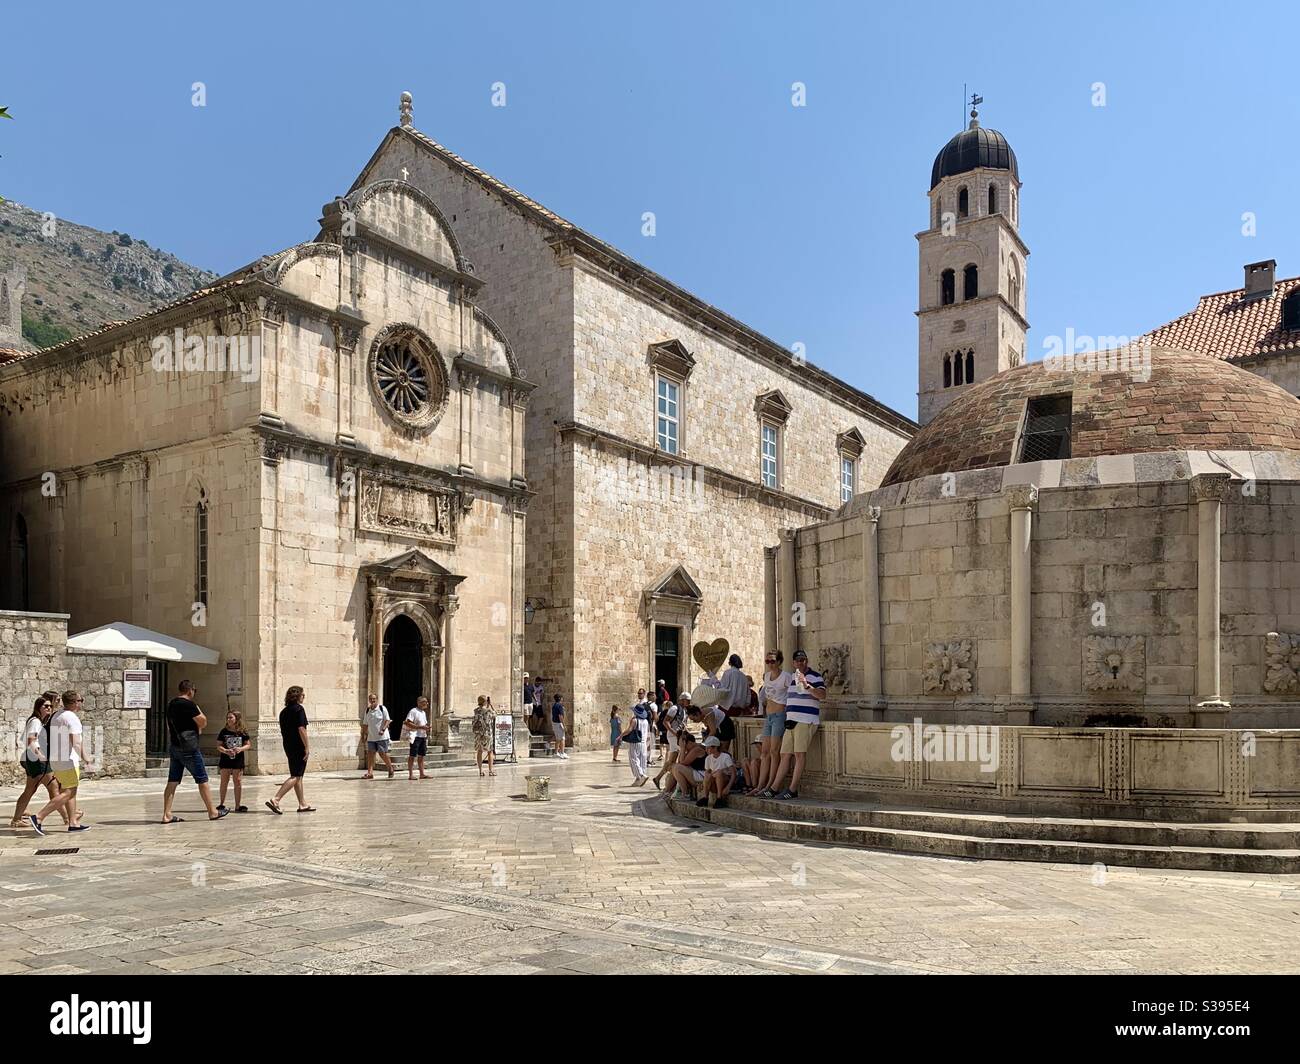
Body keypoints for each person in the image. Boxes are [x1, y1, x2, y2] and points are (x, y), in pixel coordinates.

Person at [760, 649, 825, 801]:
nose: (800, 663)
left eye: (802, 660)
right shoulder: (792, 678)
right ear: (793, 663)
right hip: (791, 720)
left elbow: (822, 695)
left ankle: (792, 789)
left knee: (799, 754)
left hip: (805, 719)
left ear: (806, 661)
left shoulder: (815, 676)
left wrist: (807, 685)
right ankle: (774, 788)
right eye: (797, 661)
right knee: (784, 755)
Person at [161, 680, 225, 824]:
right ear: (191, 691)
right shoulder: (189, 705)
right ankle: (212, 811)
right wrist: (198, 709)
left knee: (173, 780)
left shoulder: (171, 704)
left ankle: (167, 814)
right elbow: (203, 722)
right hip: (189, 747)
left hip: (175, 746)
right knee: (202, 779)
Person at [29, 691, 92, 836]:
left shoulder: (57, 715)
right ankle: (39, 817)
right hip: (67, 761)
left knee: (70, 791)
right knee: (68, 792)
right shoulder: (71, 718)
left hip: (56, 760)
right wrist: (87, 759)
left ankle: (73, 823)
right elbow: (76, 742)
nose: (81, 702)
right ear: (75, 702)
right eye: (80, 700)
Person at [9, 696, 71, 829]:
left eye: (50, 706)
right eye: (45, 706)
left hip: (33, 759)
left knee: (30, 790)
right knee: (54, 788)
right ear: (38, 708)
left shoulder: (38, 721)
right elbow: (30, 740)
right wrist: (40, 755)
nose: (49, 708)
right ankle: (68, 819)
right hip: (37, 760)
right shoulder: (36, 722)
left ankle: (16, 819)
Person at [746, 650, 790, 795]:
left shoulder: (786, 677)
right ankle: (760, 785)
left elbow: (793, 694)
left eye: (772, 661)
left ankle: (771, 785)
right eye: (767, 661)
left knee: (774, 751)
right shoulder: (766, 676)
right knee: (764, 752)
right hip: (769, 716)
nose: (770, 664)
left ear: (779, 661)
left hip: (779, 715)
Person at [266, 685, 313, 814]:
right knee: (296, 776)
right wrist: (307, 747)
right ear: (298, 696)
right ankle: (276, 799)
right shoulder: (299, 709)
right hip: (298, 746)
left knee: (298, 775)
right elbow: (301, 729)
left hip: (288, 745)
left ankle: (302, 804)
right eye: (303, 695)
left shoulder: (284, 712)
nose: (304, 697)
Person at [217, 710, 251, 813]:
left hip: (238, 760)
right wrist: (226, 751)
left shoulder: (242, 732)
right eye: (227, 718)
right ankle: (221, 804)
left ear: (237, 719)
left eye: (231, 717)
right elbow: (218, 745)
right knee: (224, 782)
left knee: (238, 781)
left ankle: (237, 805)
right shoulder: (223, 731)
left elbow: (248, 744)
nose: (228, 720)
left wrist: (240, 749)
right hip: (225, 759)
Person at [651, 693, 683, 791]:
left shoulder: (683, 710)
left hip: (676, 735)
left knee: (672, 760)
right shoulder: (675, 708)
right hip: (673, 736)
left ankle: (658, 778)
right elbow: (665, 722)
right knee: (681, 756)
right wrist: (674, 733)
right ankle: (676, 782)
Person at [665, 731, 708, 802]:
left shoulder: (697, 749)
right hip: (696, 773)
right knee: (674, 767)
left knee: (677, 767)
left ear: (690, 743)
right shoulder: (691, 749)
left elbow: (682, 763)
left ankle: (685, 794)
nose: (685, 748)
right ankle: (667, 792)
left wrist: (682, 748)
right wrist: (683, 748)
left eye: (685, 745)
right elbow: (680, 762)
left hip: (702, 775)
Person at [697, 735, 737, 809]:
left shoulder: (725, 757)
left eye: (708, 748)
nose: (706, 749)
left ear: (715, 747)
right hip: (714, 782)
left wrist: (728, 787)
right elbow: (707, 773)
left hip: (724, 781)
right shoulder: (708, 758)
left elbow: (733, 773)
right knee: (708, 774)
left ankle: (719, 798)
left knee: (719, 773)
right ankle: (705, 797)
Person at [362, 694, 395, 779]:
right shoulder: (368, 710)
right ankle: (370, 773)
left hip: (382, 736)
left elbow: (388, 720)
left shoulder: (382, 708)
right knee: (370, 754)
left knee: (382, 753)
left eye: (374, 699)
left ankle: (390, 768)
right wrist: (364, 735)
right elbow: (365, 724)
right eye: (370, 699)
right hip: (371, 737)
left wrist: (383, 729)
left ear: (377, 699)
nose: (372, 700)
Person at [404, 696, 431, 779]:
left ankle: (422, 773)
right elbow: (407, 722)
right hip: (415, 736)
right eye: (424, 702)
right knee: (412, 755)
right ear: (419, 703)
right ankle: (411, 774)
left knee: (421, 755)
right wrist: (420, 727)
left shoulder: (423, 712)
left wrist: (427, 728)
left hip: (423, 736)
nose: (426, 703)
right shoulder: (413, 711)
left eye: (426, 702)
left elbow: (423, 724)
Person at [625, 699, 652, 785]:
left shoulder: (635, 720)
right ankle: (639, 779)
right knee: (642, 760)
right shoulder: (646, 721)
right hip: (643, 743)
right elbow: (647, 733)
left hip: (635, 742)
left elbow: (629, 730)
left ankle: (641, 775)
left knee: (633, 759)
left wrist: (621, 736)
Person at [473, 695, 496, 777]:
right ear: (485, 701)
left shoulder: (476, 711)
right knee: (490, 751)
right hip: (487, 734)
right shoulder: (488, 710)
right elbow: (495, 715)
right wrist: (491, 705)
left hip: (478, 734)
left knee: (479, 751)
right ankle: (490, 771)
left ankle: (480, 771)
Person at [551, 693, 568, 759]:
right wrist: (564, 725)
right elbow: (560, 716)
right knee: (562, 739)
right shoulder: (560, 706)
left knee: (558, 739)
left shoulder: (554, 706)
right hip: (559, 723)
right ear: (560, 699)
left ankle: (555, 753)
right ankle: (562, 753)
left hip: (554, 723)